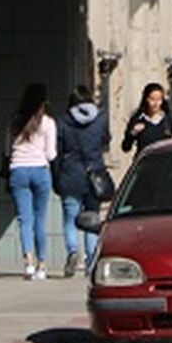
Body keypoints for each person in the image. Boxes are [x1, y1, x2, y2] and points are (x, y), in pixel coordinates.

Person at [54, 85, 111, 277]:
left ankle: (72, 252)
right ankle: (92, 259)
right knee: (92, 219)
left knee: (70, 218)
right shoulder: (100, 119)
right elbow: (105, 142)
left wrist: (57, 177)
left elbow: (58, 153)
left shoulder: (63, 121)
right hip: (94, 174)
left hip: (70, 174)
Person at [6, 84, 58, 281]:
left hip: (18, 170)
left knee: (24, 219)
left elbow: (7, 150)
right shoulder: (48, 123)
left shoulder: (15, 121)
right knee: (40, 219)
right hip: (40, 170)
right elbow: (51, 154)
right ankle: (42, 264)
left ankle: (28, 262)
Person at [121, 82, 172, 155]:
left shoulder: (167, 120)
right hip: (146, 163)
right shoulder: (138, 119)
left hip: (164, 162)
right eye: (152, 99)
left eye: (159, 100)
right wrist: (133, 133)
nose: (155, 104)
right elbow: (126, 147)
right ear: (146, 99)